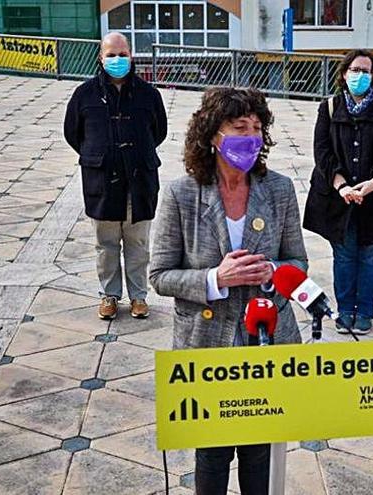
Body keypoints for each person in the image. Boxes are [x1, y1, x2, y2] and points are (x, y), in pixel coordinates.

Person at [149, 87, 308, 494]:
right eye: (240, 128)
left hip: (266, 344)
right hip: (207, 347)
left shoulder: (279, 189)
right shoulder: (181, 194)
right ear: (213, 136)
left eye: (257, 129)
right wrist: (214, 280)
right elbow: (161, 275)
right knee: (213, 453)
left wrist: (272, 272)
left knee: (259, 451)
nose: (251, 138)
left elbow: (298, 263)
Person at [64, 32, 167, 321]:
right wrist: (99, 154)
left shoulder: (148, 94)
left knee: (137, 244)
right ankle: (109, 294)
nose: (117, 60)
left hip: (139, 181)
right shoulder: (84, 94)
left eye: (122, 54)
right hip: (102, 182)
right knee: (106, 244)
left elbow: (158, 132)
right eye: (111, 55)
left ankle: (138, 297)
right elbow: (73, 133)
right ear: (100, 57)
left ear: (131, 56)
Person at [303, 49, 373, 334]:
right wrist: (341, 185)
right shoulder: (330, 107)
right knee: (345, 256)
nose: (360, 75)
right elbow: (321, 150)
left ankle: (366, 311)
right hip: (340, 198)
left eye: (366, 70)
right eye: (355, 69)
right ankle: (345, 309)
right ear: (344, 73)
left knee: (371, 257)